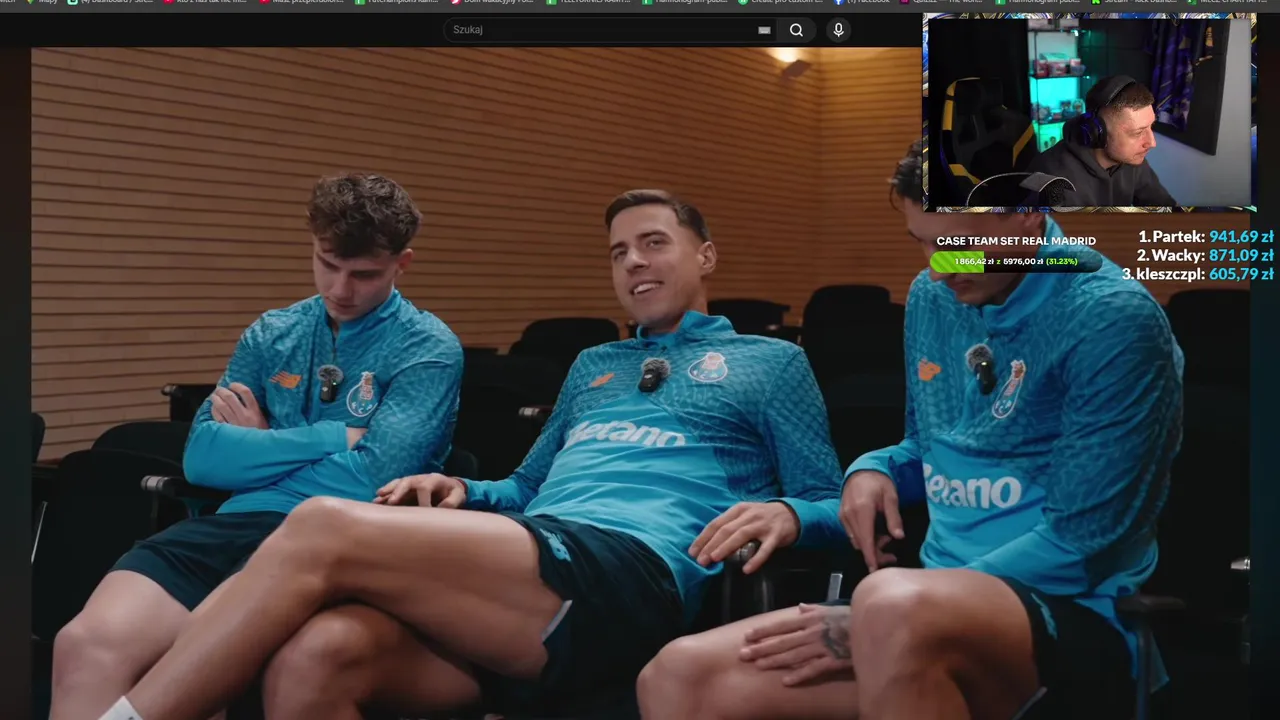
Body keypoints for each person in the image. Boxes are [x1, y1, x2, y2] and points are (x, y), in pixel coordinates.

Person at [94, 188, 849, 720]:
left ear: (705, 254)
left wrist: (791, 512)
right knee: (316, 655)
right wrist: (460, 489)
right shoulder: (594, 365)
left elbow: (832, 502)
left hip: (630, 574)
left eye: (654, 243)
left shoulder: (770, 363)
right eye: (618, 251)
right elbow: (526, 486)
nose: (633, 262)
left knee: (323, 523)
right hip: (533, 569)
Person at [637, 140, 1184, 720]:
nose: (939, 267)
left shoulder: (1111, 317)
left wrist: (879, 617)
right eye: (923, 242)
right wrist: (875, 469)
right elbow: (927, 445)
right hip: (918, 605)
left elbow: (1085, 541)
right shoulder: (933, 296)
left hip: (1078, 613)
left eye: (959, 244)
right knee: (677, 674)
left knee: (887, 604)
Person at [52, 173, 464, 720]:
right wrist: (333, 436)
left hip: (339, 540)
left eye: (364, 275)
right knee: (83, 646)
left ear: (401, 264)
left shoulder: (428, 347)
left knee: (196, 663)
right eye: (327, 264)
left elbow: (372, 480)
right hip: (234, 522)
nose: (341, 289)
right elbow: (203, 458)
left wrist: (259, 447)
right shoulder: (273, 332)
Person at [1028, 75, 1178, 206]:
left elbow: (1163, 205)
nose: (1152, 143)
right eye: (1138, 133)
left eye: (1151, 126)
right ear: (1097, 132)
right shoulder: (1050, 178)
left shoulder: (1132, 159)